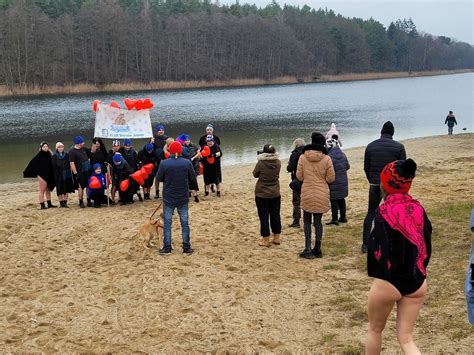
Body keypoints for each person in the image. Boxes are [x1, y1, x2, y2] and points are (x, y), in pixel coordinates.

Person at [366, 159, 432, 355]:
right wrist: (421, 267)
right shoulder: (418, 208)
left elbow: (375, 247)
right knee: (406, 339)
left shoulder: (383, 210)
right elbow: (426, 243)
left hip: (389, 280)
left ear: (385, 184)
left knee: (374, 330)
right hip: (417, 281)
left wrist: (377, 271)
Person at [362, 121, 406, 253]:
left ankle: (365, 244)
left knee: (371, 212)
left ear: (381, 132)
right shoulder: (399, 147)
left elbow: (366, 167)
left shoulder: (370, 146)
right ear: (392, 133)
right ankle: (393, 241)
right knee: (394, 212)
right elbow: (403, 168)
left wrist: (372, 180)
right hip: (391, 185)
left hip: (375, 183)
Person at [296, 132, 335, 259]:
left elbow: (299, 176)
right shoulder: (327, 158)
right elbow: (331, 178)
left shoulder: (303, 157)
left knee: (307, 221)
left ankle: (307, 248)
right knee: (318, 222)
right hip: (321, 191)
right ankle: (317, 248)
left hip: (307, 190)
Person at [156, 141, 197, 254]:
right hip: (182, 197)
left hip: (169, 197)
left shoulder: (164, 163)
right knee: (184, 222)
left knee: (168, 223)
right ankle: (186, 247)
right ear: (180, 150)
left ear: (170, 150)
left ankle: (167, 247)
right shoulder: (187, 163)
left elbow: (159, 178)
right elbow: (192, 177)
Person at [253, 144, 282, 247]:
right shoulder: (278, 162)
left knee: (264, 216)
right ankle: (276, 237)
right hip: (275, 192)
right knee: (275, 214)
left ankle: (265, 239)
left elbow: (255, 174)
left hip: (262, 193)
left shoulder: (261, 163)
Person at [23, 141, 56, 209]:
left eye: (46, 146)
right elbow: (32, 164)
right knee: (42, 190)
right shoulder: (38, 156)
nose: (45, 148)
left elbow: (54, 159)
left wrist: (50, 151)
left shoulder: (49, 155)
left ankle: (49, 203)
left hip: (48, 174)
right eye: (44, 147)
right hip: (42, 175)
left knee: (48, 189)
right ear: (41, 148)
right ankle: (42, 205)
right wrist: (35, 173)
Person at [325, 136, 350, 225]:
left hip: (334, 182)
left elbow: (327, 170)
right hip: (343, 181)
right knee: (341, 198)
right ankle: (343, 217)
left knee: (333, 199)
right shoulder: (343, 154)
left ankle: (335, 218)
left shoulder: (329, 157)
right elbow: (347, 166)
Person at [287, 138, 305, 228]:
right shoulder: (307, 152)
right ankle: (308, 219)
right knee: (306, 200)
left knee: (296, 201)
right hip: (307, 179)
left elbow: (290, 168)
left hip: (297, 180)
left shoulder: (295, 154)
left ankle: (296, 221)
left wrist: (289, 164)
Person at [69, 135, 92, 208]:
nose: (83, 143)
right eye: (82, 142)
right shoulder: (72, 151)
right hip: (79, 172)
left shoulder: (83, 149)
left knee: (88, 186)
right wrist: (75, 173)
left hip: (87, 171)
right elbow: (72, 163)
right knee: (80, 187)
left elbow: (89, 156)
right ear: (78, 143)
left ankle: (88, 200)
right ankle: (81, 201)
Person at [199, 124, 221, 192]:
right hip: (205, 159)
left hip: (215, 161)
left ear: (212, 130)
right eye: (207, 130)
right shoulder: (202, 138)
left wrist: (214, 154)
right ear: (206, 131)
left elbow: (219, 150)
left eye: (210, 130)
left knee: (216, 176)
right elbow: (201, 149)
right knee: (206, 177)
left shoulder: (216, 138)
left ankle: (213, 187)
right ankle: (206, 190)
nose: (209, 131)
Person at [51, 142, 74, 208]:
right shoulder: (54, 156)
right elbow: (53, 166)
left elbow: (69, 163)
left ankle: (65, 202)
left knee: (66, 188)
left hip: (67, 174)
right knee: (59, 188)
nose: (61, 148)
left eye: (62, 147)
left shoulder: (66, 155)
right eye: (59, 147)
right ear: (56, 148)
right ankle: (61, 203)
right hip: (58, 175)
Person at [180, 134, 201, 203]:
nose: (187, 141)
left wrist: (193, 158)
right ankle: (189, 193)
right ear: (183, 141)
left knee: (195, 178)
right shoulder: (181, 147)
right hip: (187, 165)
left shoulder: (194, 145)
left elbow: (199, 153)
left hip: (195, 164)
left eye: (188, 140)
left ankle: (195, 192)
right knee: (187, 179)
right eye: (185, 140)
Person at [152, 125, 169, 199]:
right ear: (157, 131)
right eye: (159, 130)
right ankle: (157, 192)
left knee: (167, 177)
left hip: (165, 160)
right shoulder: (153, 138)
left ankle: (166, 192)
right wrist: (151, 143)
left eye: (162, 130)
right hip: (157, 161)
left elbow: (171, 148)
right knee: (157, 177)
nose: (161, 131)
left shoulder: (167, 138)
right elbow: (150, 151)